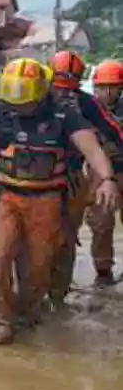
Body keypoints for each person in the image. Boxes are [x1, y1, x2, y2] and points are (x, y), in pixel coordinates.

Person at [0, 58, 119, 345]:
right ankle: (3, 319)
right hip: (7, 194)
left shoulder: (65, 114)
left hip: (48, 198)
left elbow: (91, 148)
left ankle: (29, 311)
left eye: (25, 103)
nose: (19, 108)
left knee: (38, 267)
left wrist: (106, 179)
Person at [45, 50, 123, 299]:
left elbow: (111, 130)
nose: (62, 94)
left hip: (75, 174)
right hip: (37, 176)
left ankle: (61, 291)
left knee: (71, 232)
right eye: (104, 86)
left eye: (114, 87)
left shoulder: (83, 104)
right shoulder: (34, 97)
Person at [84, 59, 123, 284]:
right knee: (101, 221)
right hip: (99, 173)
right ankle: (103, 270)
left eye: (112, 87)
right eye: (102, 87)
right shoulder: (86, 110)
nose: (107, 92)